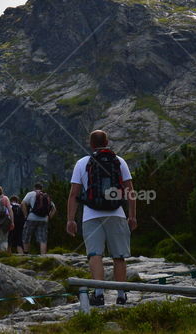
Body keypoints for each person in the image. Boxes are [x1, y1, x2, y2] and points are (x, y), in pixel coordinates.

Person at [66, 130, 136, 306]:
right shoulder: (119, 161)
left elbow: (74, 194)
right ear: (107, 142)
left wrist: (71, 220)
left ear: (91, 144)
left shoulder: (82, 163)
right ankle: (121, 295)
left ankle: (98, 294)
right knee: (118, 256)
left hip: (91, 215)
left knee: (95, 254)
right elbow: (130, 191)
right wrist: (132, 216)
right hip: (116, 213)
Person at [22, 182, 56, 254]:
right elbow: (54, 209)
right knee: (43, 238)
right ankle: (43, 255)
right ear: (42, 188)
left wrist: (25, 215)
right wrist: (49, 217)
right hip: (44, 219)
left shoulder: (31, 194)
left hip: (31, 218)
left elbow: (23, 203)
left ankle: (26, 253)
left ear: (34, 188)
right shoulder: (45, 195)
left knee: (27, 235)